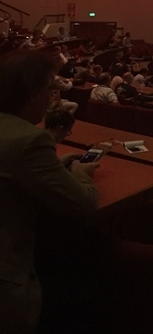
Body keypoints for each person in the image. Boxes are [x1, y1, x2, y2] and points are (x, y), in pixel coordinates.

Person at [0, 50, 99, 333]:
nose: (51, 97)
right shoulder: (30, 140)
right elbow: (84, 204)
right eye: (49, 89)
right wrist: (82, 175)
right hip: (9, 282)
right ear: (32, 92)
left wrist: (53, 167)